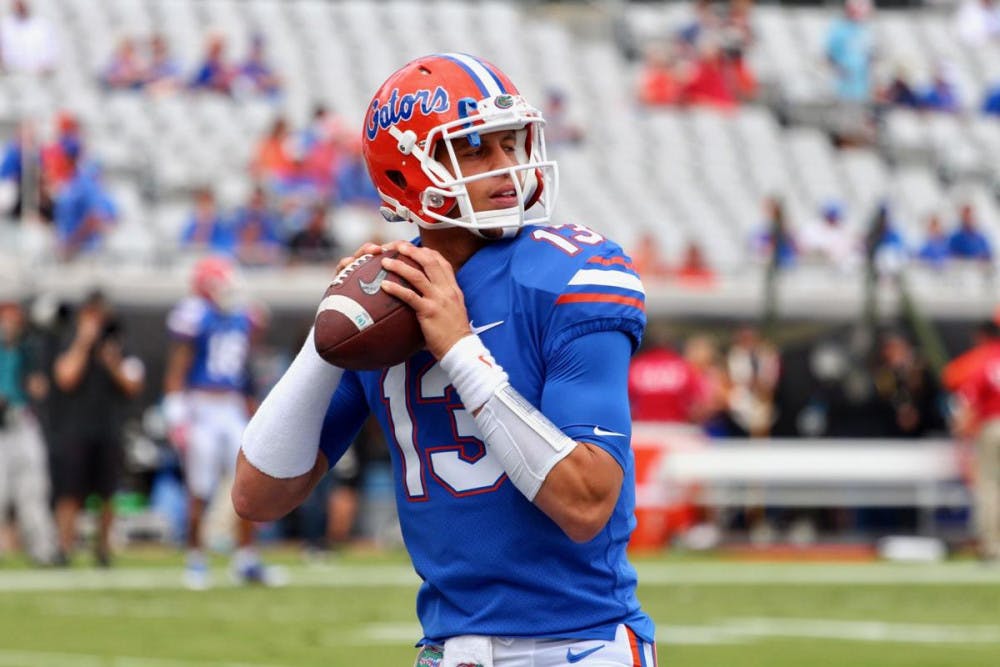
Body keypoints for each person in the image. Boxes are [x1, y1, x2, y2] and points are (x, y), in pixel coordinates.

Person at [234, 53, 657, 666]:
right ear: (408, 175)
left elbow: (587, 503)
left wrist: (460, 349)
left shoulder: (570, 273)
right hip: (448, 649)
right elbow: (257, 497)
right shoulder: (388, 299)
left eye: (511, 144)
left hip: (579, 642)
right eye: (477, 150)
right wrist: (326, 341)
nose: (509, 167)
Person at [162, 256, 276, 589]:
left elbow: (244, 366)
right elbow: (177, 369)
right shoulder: (194, 316)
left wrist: (250, 405)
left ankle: (246, 558)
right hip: (201, 405)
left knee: (251, 482)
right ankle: (196, 558)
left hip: (231, 405)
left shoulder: (242, 317)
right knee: (199, 487)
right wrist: (176, 409)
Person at [51, 290, 144, 566]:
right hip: (76, 428)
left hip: (109, 428)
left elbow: (133, 385)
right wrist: (83, 342)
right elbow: (65, 378)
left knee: (107, 492)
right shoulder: (70, 342)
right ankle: (64, 548)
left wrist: (111, 363)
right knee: (70, 491)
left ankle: (102, 549)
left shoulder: (118, 345)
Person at [0, 300, 59, 566]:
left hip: (22, 422)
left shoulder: (28, 350)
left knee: (33, 488)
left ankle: (43, 549)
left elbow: (39, 389)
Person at [950, 320, 1000, 561]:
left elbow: (967, 399)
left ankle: (992, 547)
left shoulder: (983, 359)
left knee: (989, 487)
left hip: (992, 425)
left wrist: (961, 428)